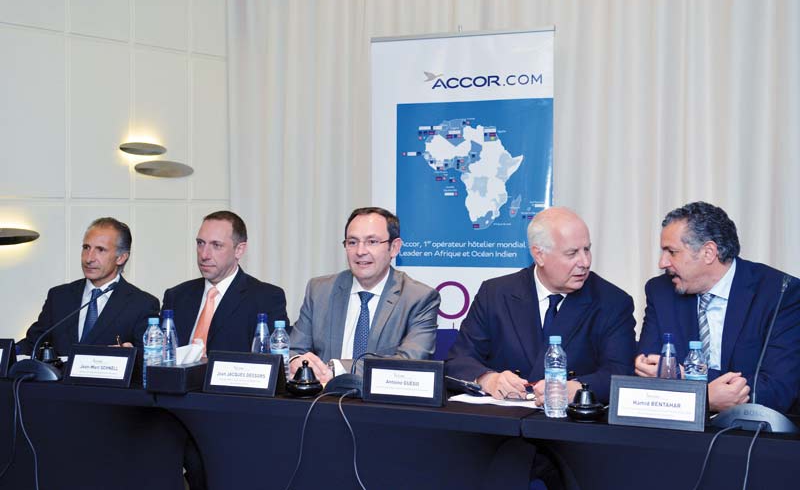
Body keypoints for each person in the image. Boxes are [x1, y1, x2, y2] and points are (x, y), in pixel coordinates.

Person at [446, 207, 636, 405]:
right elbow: (457, 360)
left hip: (569, 421)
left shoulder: (612, 302)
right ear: (539, 255)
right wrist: (488, 379)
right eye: (572, 253)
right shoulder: (495, 293)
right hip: (502, 419)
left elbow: (620, 373)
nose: (585, 262)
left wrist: (579, 389)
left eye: (587, 249)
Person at [636, 201, 800, 413]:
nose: (662, 263)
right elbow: (647, 378)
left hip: (750, 428)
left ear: (708, 252)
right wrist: (705, 395)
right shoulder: (660, 292)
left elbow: (778, 388)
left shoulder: (780, 293)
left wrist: (687, 380)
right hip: (675, 426)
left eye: (672, 252)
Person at [289, 207, 440, 382]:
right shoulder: (319, 290)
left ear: (394, 247)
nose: (360, 251)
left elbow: (410, 363)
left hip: (383, 398)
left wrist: (338, 369)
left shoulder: (418, 298)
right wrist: (296, 362)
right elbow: (293, 350)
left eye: (372, 242)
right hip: (323, 396)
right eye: (352, 242)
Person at [17, 217, 159, 357]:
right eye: (86, 248)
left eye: (100, 250)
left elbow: (149, 361)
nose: (89, 258)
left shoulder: (142, 304)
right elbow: (32, 344)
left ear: (121, 257)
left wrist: (131, 356)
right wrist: (10, 351)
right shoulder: (59, 296)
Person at [162, 211, 288, 354]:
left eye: (216, 245)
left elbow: (270, 360)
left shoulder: (266, 298)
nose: (204, 255)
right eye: (200, 243)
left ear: (239, 250)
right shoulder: (177, 296)